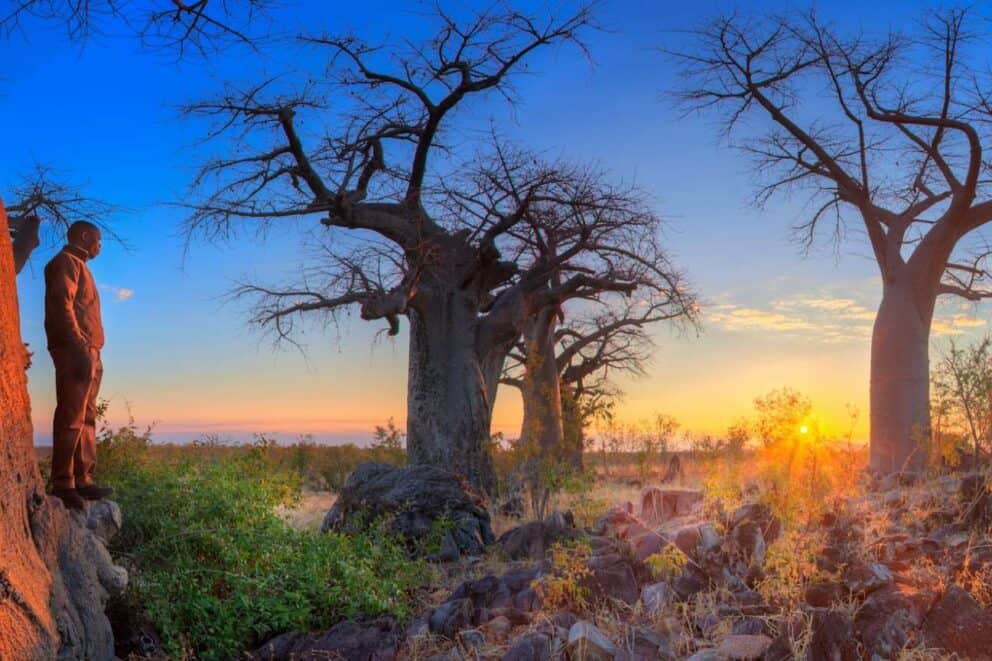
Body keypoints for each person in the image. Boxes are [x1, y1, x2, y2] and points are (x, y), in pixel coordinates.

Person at [44, 221, 114, 510]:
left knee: (86, 417)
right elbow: (62, 305)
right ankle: (63, 482)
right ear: (84, 236)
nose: (99, 247)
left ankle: (83, 479)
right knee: (71, 416)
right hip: (76, 350)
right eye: (98, 241)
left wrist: (92, 350)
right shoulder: (65, 262)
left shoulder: (81, 266)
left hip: (91, 351)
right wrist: (78, 345)